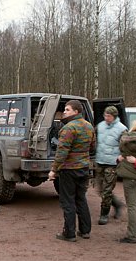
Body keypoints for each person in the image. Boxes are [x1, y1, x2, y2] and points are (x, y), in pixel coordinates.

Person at [48, 100, 95, 242]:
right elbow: (93, 147)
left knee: (68, 201)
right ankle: (85, 231)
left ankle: (69, 233)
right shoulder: (89, 126)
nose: (64, 112)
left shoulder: (68, 128)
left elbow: (62, 152)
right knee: (81, 199)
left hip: (69, 170)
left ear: (76, 111)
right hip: (84, 168)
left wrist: (53, 170)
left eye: (67, 109)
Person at [94, 106, 127, 225]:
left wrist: (122, 156)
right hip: (100, 161)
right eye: (105, 115)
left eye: (108, 116)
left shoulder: (122, 129)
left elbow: (126, 146)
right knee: (100, 189)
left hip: (112, 163)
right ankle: (117, 204)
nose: (106, 118)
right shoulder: (100, 126)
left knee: (107, 190)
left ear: (114, 116)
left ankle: (104, 214)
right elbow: (94, 139)